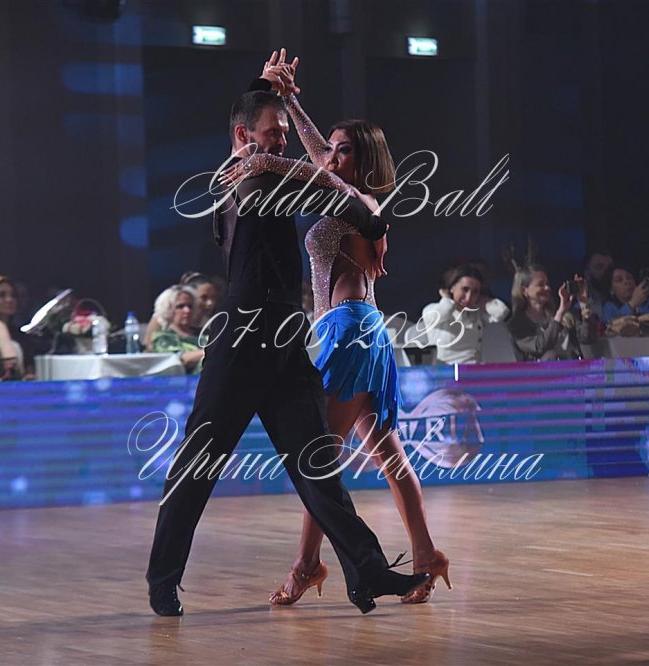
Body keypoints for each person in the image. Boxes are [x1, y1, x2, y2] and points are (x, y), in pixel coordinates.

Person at [145, 51, 428, 617]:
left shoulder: (265, 169)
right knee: (199, 464)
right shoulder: (246, 180)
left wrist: (274, 95)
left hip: (286, 340)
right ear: (242, 137)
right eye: (272, 135)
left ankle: (367, 572)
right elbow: (327, 184)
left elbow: (346, 199)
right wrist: (277, 129)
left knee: (318, 466)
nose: (281, 145)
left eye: (282, 135)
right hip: (241, 340)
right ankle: (163, 578)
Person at [224, 55, 450, 606]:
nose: (330, 154)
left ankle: (306, 566)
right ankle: (426, 557)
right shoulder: (350, 198)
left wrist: (255, 156)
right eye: (332, 146)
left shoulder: (356, 202)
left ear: (364, 159)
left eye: (344, 149)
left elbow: (305, 165)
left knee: (317, 461)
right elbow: (317, 158)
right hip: (360, 329)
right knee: (388, 455)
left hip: (349, 331)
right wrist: (288, 98)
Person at [420, 264, 510, 364]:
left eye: (475, 292)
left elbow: (501, 312)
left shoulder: (476, 313)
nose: (468, 297)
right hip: (445, 370)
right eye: (465, 289)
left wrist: (481, 300)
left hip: (474, 369)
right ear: (452, 287)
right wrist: (446, 298)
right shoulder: (432, 309)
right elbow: (445, 310)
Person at [508, 265, 599, 361]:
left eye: (547, 284)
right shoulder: (517, 324)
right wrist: (559, 315)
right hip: (543, 370)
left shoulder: (562, 315)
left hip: (573, 367)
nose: (547, 288)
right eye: (540, 285)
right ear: (524, 290)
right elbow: (539, 346)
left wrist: (584, 304)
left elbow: (588, 338)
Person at [146, 285, 204, 373]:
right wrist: (211, 351)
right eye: (180, 306)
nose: (187, 310)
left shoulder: (203, 335)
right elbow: (180, 359)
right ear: (168, 309)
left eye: (190, 306)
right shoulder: (162, 338)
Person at [582, 249, 614, 315]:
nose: (606, 272)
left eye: (610, 268)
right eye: (599, 267)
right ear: (587, 274)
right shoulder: (580, 309)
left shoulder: (626, 299)